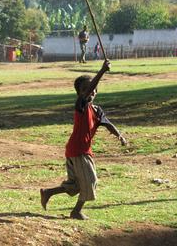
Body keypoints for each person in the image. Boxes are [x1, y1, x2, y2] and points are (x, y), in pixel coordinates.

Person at [40, 60, 127, 220]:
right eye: (86, 89)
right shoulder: (81, 105)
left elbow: (108, 124)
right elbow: (89, 91)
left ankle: (48, 192)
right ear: (80, 93)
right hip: (79, 150)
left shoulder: (97, 110)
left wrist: (119, 135)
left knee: (76, 185)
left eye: (93, 89)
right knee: (91, 180)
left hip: (79, 150)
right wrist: (102, 71)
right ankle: (76, 211)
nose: (91, 92)